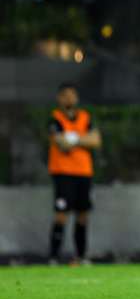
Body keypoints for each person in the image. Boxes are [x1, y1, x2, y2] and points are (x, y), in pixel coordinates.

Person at [47, 82, 102, 265]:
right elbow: (60, 143)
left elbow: (96, 141)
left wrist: (73, 138)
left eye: (72, 94)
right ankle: (54, 257)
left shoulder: (85, 117)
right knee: (62, 214)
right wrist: (82, 139)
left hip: (84, 172)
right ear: (60, 98)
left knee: (83, 214)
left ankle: (81, 256)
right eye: (65, 95)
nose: (69, 98)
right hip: (63, 172)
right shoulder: (55, 119)